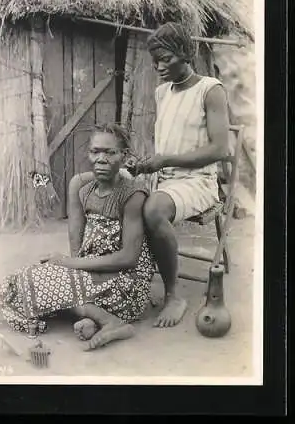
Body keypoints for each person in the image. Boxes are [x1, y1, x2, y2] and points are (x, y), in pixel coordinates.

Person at [69, 22, 229, 329]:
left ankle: (173, 295)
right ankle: (80, 265)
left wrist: (165, 160)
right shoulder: (161, 93)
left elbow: (220, 149)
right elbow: (169, 139)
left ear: (186, 53)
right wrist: (146, 165)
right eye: (155, 59)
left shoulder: (210, 89)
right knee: (80, 183)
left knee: (152, 207)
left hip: (196, 182)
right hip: (161, 178)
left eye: (166, 58)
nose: (158, 66)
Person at [0, 124, 155, 350]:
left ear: (124, 156)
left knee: (35, 282)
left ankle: (111, 320)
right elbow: (81, 248)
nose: (101, 159)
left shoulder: (132, 195)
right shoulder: (86, 191)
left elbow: (128, 258)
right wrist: (67, 270)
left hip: (125, 284)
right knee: (21, 280)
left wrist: (68, 264)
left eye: (110, 153)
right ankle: (97, 317)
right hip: (95, 276)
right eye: (95, 152)